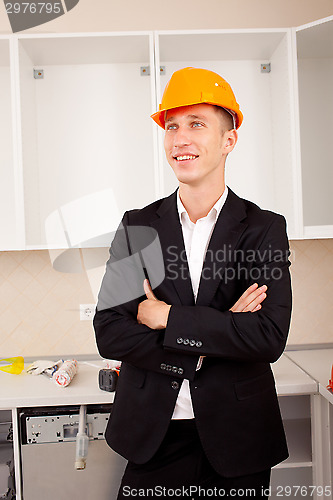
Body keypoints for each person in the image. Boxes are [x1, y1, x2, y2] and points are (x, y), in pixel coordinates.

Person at [94, 67, 292, 499]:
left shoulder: (263, 229)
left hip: (240, 438)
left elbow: (268, 337)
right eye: (172, 126)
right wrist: (209, 343)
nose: (180, 139)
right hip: (152, 436)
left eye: (197, 124)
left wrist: (167, 318)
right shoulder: (138, 226)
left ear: (229, 140)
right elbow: (110, 331)